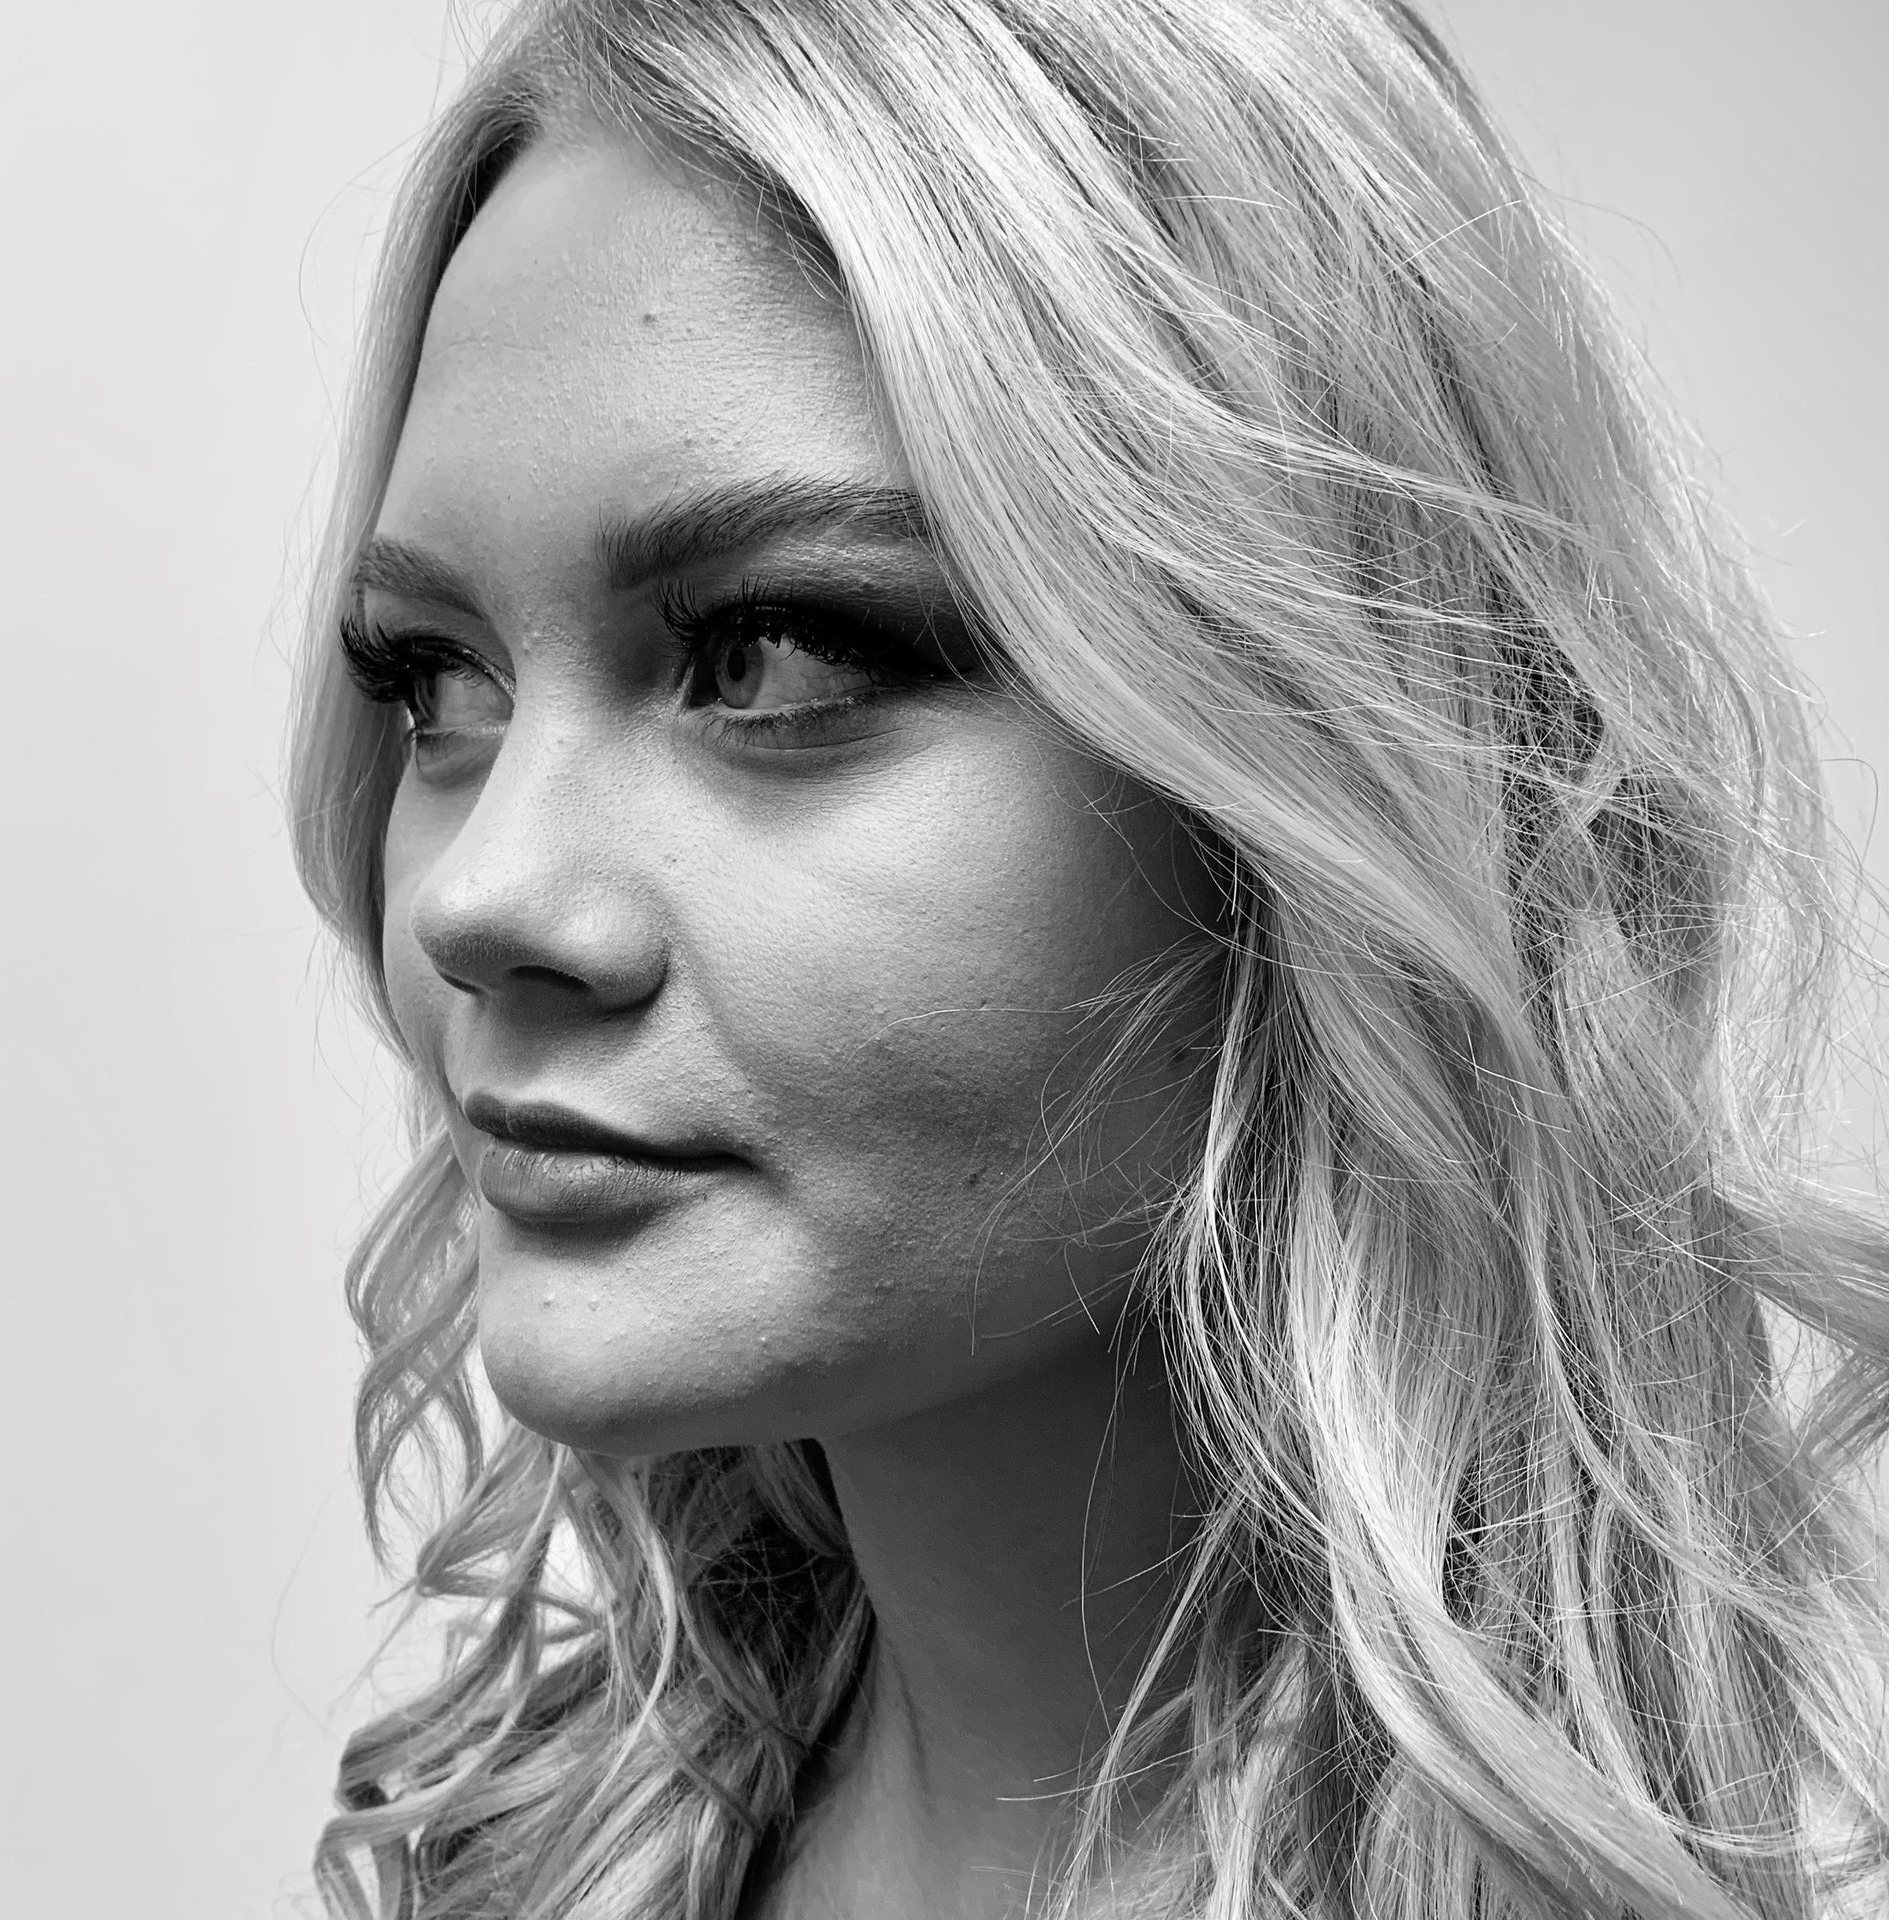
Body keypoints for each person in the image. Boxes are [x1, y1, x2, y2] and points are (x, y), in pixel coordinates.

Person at [288, 2, 1889, 1915]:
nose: (478, 895)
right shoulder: (534, 1851)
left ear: (1324, 763)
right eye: (438, 680)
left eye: (774, 655)